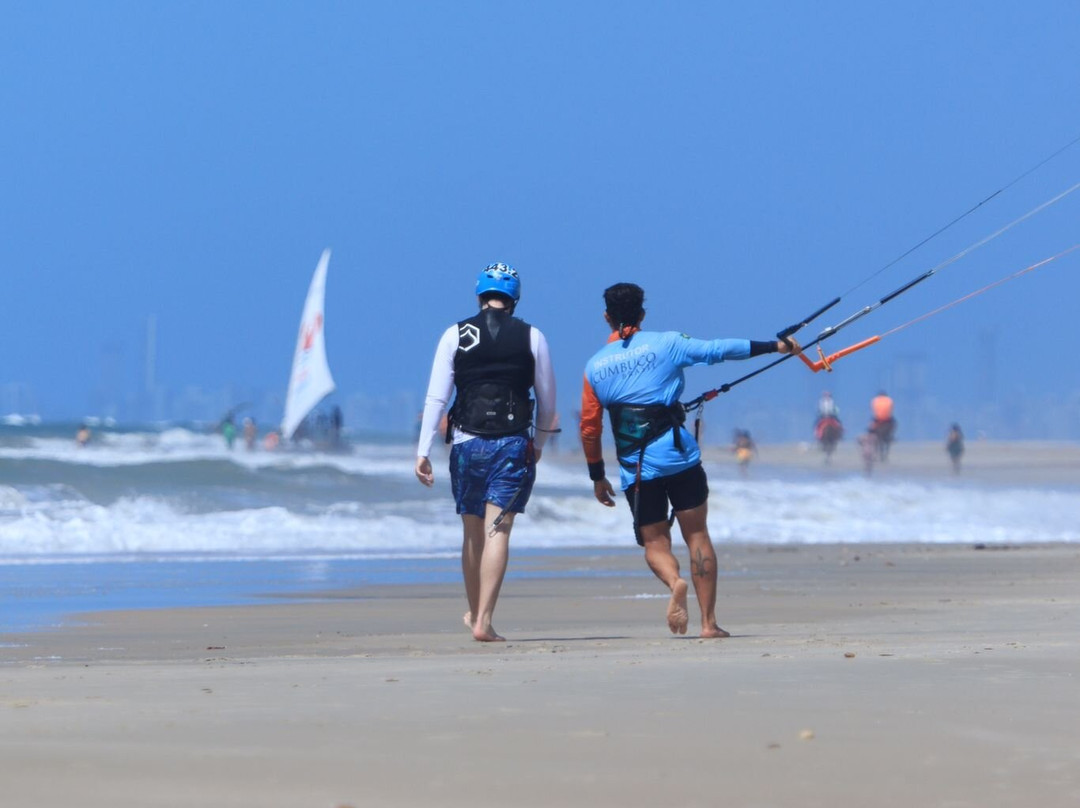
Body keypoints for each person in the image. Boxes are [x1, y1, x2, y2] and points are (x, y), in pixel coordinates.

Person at [579, 282, 799, 639]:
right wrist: (776, 346)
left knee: (655, 544)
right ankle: (709, 624)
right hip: (680, 457)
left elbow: (589, 428)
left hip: (637, 466)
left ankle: (674, 581)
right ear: (643, 314)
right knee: (697, 534)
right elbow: (718, 350)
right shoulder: (667, 342)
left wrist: (596, 475)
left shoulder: (594, 367)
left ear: (606, 317)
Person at [415, 263, 557, 642]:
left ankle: (476, 613)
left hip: (465, 442)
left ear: (479, 296)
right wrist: (539, 444)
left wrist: (422, 450)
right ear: (515, 300)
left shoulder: (455, 334)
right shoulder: (533, 336)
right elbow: (547, 402)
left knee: (472, 532)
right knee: (500, 531)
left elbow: (437, 396)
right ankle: (484, 621)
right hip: (512, 443)